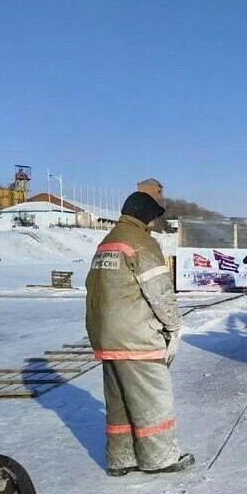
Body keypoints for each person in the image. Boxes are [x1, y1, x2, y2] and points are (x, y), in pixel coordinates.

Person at [85, 191, 194, 476]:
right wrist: (173, 326)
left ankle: (120, 459)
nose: (155, 223)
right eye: (154, 217)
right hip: (135, 335)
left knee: (119, 402)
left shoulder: (106, 242)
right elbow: (159, 292)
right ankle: (160, 459)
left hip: (105, 336)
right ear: (146, 216)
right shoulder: (141, 243)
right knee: (153, 398)